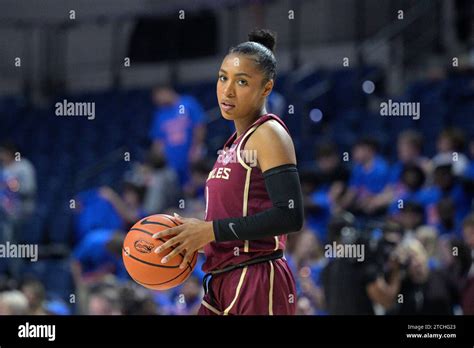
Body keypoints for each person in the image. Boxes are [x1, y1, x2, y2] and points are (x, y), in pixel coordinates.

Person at [152, 29, 304, 315]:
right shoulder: (232, 144)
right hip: (222, 279)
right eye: (223, 78)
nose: (228, 90)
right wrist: (191, 235)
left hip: (257, 277)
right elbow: (234, 218)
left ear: (266, 88)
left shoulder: (268, 132)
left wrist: (210, 230)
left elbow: (290, 215)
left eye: (242, 81)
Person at [149, 85, 207, 186]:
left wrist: (197, 147)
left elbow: (199, 126)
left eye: (158, 97)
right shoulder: (160, 114)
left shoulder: (188, 104)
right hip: (171, 164)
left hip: (191, 159)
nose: (158, 102)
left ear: (166, 91)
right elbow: (158, 141)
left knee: (194, 188)